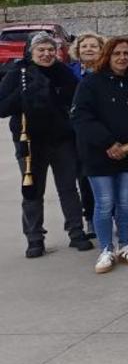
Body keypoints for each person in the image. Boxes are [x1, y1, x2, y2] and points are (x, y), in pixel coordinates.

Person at [0, 33, 91, 258]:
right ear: (31, 51)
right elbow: (1, 108)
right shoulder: (16, 73)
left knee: (68, 188)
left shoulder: (62, 73)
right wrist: (23, 96)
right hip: (29, 141)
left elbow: (78, 101)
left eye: (51, 49)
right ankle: (34, 238)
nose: (47, 54)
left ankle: (76, 231)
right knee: (33, 191)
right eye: (41, 49)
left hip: (61, 140)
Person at [70, 37, 128, 273]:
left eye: (126, 53)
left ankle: (125, 245)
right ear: (107, 55)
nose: (122, 57)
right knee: (104, 203)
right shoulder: (91, 83)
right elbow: (81, 117)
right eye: (117, 53)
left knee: (124, 202)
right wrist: (108, 142)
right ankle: (106, 249)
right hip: (98, 153)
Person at [67, 31, 105, 237]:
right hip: (78, 135)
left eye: (94, 46)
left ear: (101, 50)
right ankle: (90, 217)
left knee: (111, 179)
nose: (89, 49)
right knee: (84, 178)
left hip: (105, 133)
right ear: (77, 50)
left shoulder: (109, 71)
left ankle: (112, 218)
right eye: (84, 46)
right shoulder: (68, 72)